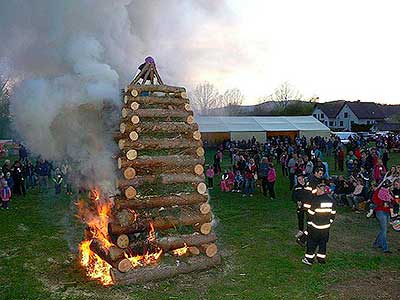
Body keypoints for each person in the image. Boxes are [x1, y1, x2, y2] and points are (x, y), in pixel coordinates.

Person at [302, 183, 336, 265]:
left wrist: (309, 223)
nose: (316, 191)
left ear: (321, 190)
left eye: (317, 190)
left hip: (315, 226)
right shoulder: (331, 201)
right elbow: (333, 213)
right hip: (326, 227)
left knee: (312, 243)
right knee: (323, 243)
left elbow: (310, 213)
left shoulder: (316, 200)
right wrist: (329, 222)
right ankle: (321, 260)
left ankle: (309, 259)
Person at [372, 181, 394, 253]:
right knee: (384, 230)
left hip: (387, 211)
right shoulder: (379, 191)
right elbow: (375, 200)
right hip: (380, 211)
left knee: (383, 229)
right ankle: (385, 248)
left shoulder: (389, 193)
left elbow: (392, 201)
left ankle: (376, 244)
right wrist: (383, 203)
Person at [292, 173, 312, 242]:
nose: (299, 181)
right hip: (300, 206)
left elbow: (311, 195)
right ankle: (300, 230)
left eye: (300, 179)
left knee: (309, 219)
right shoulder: (296, 187)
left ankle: (309, 231)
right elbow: (293, 196)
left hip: (308, 206)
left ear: (304, 179)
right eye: (298, 180)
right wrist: (297, 201)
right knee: (300, 218)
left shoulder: (309, 186)